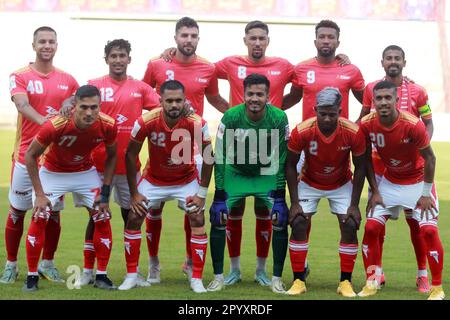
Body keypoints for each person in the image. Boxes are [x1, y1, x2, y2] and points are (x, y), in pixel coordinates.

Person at [142, 17, 228, 281]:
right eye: (184, 35)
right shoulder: (157, 64)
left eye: (193, 36)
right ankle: (153, 263)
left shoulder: (208, 67)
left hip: (193, 148)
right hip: (161, 145)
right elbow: (144, 96)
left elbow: (213, 98)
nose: (188, 40)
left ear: (198, 39)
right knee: (152, 209)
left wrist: (237, 116)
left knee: (193, 207)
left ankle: (191, 261)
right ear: (175, 38)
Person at [75, 39, 160, 287]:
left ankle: (132, 273)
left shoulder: (141, 88)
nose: (118, 60)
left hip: (128, 167)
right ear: (106, 59)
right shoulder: (94, 85)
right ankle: (88, 271)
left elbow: (162, 108)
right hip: (96, 167)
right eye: (113, 56)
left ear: (129, 59)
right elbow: (75, 107)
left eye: (122, 55)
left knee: (131, 217)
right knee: (95, 217)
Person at [1, 26, 79, 284]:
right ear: (33, 45)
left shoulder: (68, 80)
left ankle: (48, 263)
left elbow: (80, 105)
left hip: (55, 160)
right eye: (42, 41)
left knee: (52, 213)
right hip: (26, 156)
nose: (47, 45)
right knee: (17, 211)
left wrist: (71, 103)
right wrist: (46, 122)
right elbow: (22, 105)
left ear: (57, 46)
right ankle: (11, 264)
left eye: (51, 42)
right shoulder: (19, 75)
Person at [119, 80, 214, 293]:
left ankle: (196, 277)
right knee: (134, 216)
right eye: (169, 100)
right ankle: (132, 274)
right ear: (160, 101)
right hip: (154, 179)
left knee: (198, 216)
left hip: (186, 179)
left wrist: (200, 195)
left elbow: (209, 158)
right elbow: (130, 154)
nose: (174, 105)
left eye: (178, 100)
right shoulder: (146, 121)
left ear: (185, 101)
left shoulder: (196, 122)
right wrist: (134, 194)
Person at [23, 85, 118, 291]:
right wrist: (39, 194)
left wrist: (105, 194)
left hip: (84, 172)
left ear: (100, 106)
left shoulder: (108, 125)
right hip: (53, 172)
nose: (89, 113)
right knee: (40, 215)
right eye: (84, 107)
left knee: (102, 215)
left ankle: (101, 275)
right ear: (74, 105)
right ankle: (31, 278)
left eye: (94, 107)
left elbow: (112, 156)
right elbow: (30, 155)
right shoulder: (56, 125)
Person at [358, 80, 445, 300]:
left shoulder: (412, 124)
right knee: (370, 228)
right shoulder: (367, 124)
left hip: (417, 183)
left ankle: (436, 288)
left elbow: (430, 159)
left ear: (397, 100)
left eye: (388, 98)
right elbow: (365, 159)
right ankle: (372, 280)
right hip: (389, 182)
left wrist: (425, 193)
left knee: (428, 231)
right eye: (379, 98)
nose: (383, 102)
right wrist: (375, 190)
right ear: (373, 101)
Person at [208, 74, 289, 293]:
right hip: (236, 172)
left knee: (280, 218)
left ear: (267, 96)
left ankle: (272, 276)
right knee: (218, 217)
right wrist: (219, 194)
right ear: (243, 95)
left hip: (266, 172)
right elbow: (221, 156)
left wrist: (280, 194)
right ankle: (223, 275)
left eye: (259, 94)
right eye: (250, 94)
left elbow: (282, 158)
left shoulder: (279, 118)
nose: (255, 98)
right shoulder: (231, 117)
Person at [285, 87, 367, 297]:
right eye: (323, 113)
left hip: (341, 183)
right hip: (310, 181)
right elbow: (290, 166)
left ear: (340, 111)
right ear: (315, 110)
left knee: (349, 223)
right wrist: (294, 203)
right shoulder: (302, 130)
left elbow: (360, 168)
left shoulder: (353, 131)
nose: (328, 118)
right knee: (298, 221)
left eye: (332, 113)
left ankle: (345, 282)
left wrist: (354, 205)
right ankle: (298, 280)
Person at [282, 19, 365, 121]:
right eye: (321, 37)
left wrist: (357, 125)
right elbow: (293, 98)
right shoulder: (301, 68)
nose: (326, 41)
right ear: (315, 42)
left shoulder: (351, 70)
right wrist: (265, 111)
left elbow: (368, 103)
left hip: (340, 134)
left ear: (338, 43)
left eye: (331, 37)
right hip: (309, 134)